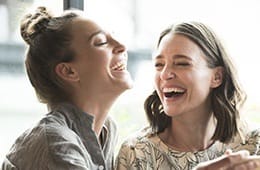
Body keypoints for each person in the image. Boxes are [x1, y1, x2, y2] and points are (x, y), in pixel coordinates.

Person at [1, 6, 133, 170]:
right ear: (69, 71)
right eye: (101, 42)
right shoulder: (55, 143)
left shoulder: (106, 130)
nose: (122, 46)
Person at [115, 21, 260, 170]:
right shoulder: (136, 154)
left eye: (182, 63)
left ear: (217, 77)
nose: (165, 74)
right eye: (159, 64)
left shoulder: (254, 145)